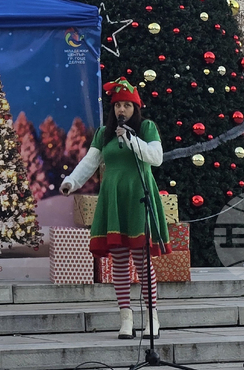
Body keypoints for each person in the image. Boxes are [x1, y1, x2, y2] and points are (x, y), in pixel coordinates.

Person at [61, 79, 170, 339]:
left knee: (142, 262)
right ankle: (126, 318)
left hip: (138, 196)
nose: (122, 110)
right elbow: (90, 162)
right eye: (118, 106)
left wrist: (132, 139)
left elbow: (156, 158)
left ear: (136, 108)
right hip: (113, 198)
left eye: (127, 106)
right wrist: (71, 182)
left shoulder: (146, 128)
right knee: (119, 261)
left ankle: (152, 317)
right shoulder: (104, 133)